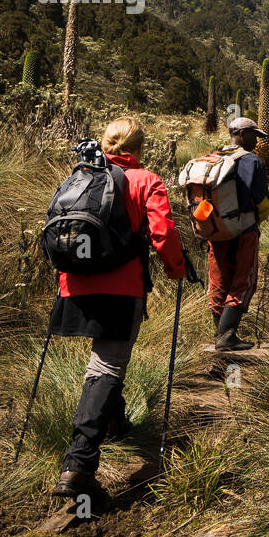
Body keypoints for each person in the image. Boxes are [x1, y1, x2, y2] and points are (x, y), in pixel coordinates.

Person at [49, 118, 185, 499]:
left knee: (105, 359)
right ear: (138, 149)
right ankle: (78, 466)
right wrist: (177, 269)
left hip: (72, 285)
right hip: (120, 291)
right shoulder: (146, 180)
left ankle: (116, 425)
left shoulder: (81, 173)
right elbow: (163, 234)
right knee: (107, 365)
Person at [208, 117, 269, 351]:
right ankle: (227, 336)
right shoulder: (252, 161)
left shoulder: (213, 156)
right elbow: (262, 202)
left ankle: (219, 333)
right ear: (242, 135)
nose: (257, 141)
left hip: (215, 231)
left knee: (219, 278)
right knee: (243, 279)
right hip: (244, 230)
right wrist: (256, 221)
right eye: (255, 136)